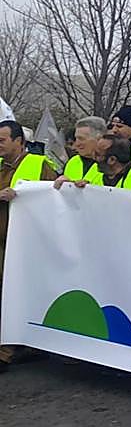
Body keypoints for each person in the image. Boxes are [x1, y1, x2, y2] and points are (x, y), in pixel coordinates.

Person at [0, 120, 59, 369]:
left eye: (2, 140)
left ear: (19, 141)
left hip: (24, 245)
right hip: (2, 242)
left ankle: (8, 350)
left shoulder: (40, 165)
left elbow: (55, 197)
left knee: (14, 294)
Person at [63, 117, 106, 183]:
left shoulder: (111, 164)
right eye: (76, 139)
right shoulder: (73, 161)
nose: (77, 144)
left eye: (81, 139)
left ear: (99, 139)